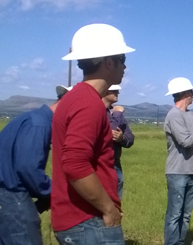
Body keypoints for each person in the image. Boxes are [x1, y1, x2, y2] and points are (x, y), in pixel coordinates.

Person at [51, 23, 135, 245]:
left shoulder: (74, 98)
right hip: (89, 221)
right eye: (122, 60)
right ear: (109, 62)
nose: (125, 67)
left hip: (79, 221)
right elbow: (75, 163)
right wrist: (109, 210)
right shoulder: (89, 103)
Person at [0, 85, 70, 244]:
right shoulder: (40, 124)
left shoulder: (33, 118)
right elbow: (28, 168)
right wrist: (51, 192)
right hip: (13, 197)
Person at [163, 77, 193, 245]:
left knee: (186, 214)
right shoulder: (173, 116)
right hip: (177, 172)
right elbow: (186, 141)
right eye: (191, 92)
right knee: (175, 214)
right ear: (184, 94)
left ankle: (180, 242)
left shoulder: (192, 116)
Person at [102, 84, 135, 199]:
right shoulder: (99, 111)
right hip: (103, 165)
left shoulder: (115, 112)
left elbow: (130, 138)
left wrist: (122, 139)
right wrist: (117, 114)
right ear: (104, 91)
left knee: (116, 206)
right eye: (114, 91)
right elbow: (110, 132)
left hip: (116, 165)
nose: (118, 93)